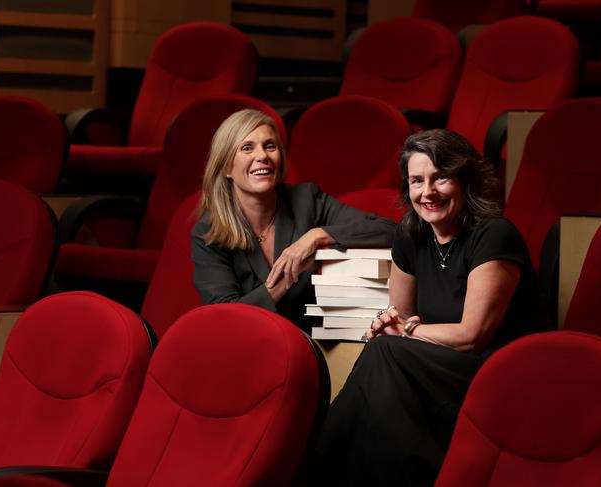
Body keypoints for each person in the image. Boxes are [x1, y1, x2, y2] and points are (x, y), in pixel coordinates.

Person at [314, 129, 539, 486]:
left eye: (441, 178)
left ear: (465, 180)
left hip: (498, 372)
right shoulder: (410, 234)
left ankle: (314, 469)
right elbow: (398, 319)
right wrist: (390, 326)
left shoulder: (494, 234)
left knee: (385, 357)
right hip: (437, 367)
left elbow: (472, 336)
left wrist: (404, 331)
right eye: (416, 181)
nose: (427, 192)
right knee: (383, 363)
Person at [191, 109, 396, 332]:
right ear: (226, 167)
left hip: (313, 342)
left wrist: (318, 236)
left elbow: (388, 230)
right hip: (250, 345)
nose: (263, 156)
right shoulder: (207, 232)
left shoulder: (307, 199)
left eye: (270, 146)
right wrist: (291, 273)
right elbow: (228, 319)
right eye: (247, 148)